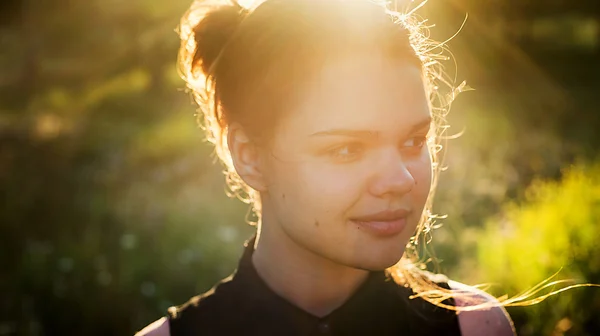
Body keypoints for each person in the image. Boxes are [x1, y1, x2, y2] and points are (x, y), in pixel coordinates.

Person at [137, 0, 516, 335]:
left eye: (414, 141)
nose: (401, 179)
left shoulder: (475, 325)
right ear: (249, 156)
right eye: (347, 149)